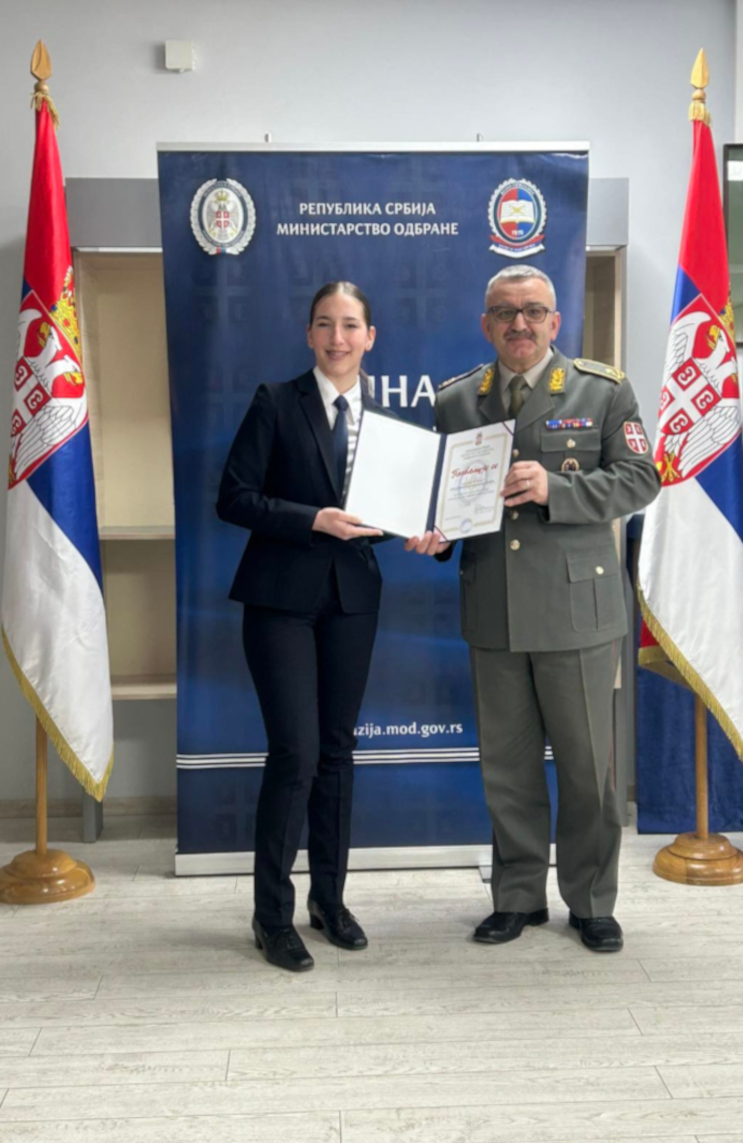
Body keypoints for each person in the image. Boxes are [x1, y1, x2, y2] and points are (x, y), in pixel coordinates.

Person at [408, 265, 660, 952]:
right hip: (494, 609)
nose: (518, 323)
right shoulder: (456, 399)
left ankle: (591, 901)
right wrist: (436, 535)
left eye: (532, 311)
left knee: (587, 771)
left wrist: (557, 489)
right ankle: (517, 896)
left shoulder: (602, 389)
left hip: (578, 610)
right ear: (485, 323)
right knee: (507, 770)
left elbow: (641, 478)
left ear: (555, 320)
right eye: (504, 312)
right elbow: (445, 501)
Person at [217, 281, 386, 973]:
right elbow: (234, 497)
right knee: (297, 753)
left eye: (349, 325)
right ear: (309, 334)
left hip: (353, 598)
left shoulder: (388, 420)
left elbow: (393, 510)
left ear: (369, 336)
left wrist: (429, 532)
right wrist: (311, 518)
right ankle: (271, 916)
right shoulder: (275, 400)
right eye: (324, 324)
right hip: (280, 599)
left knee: (338, 753)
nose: (337, 337)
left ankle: (329, 902)